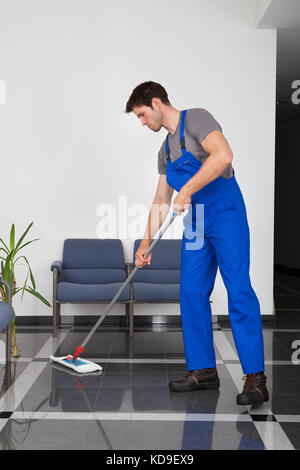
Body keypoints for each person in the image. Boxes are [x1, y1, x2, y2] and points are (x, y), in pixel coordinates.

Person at [125, 81, 269, 405]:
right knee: (190, 291)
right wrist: (145, 243)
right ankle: (203, 370)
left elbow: (223, 156)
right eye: (139, 118)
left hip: (226, 212)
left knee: (238, 289)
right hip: (197, 222)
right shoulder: (164, 152)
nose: (143, 123)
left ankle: (256, 378)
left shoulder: (198, 120)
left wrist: (187, 188)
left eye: (143, 115)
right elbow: (161, 200)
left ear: (157, 102)